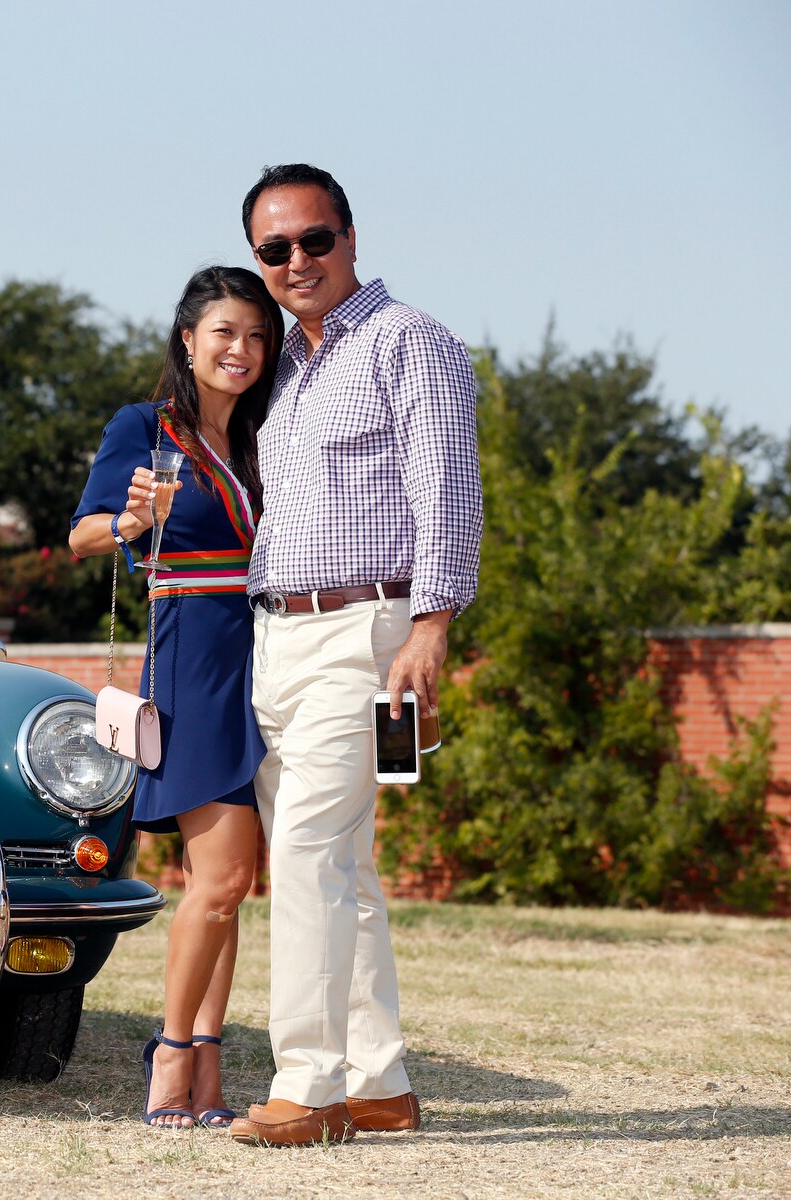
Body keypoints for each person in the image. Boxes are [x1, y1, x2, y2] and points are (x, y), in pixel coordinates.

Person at [224, 164, 482, 1147]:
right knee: (345, 869)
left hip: (366, 635)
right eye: (275, 249)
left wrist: (432, 624)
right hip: (276, 639)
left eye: (314, 239)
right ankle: (380, 1082)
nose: (297, 261)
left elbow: (447, 492)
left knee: (305, 859)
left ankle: (309, 1087)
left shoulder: (410, 341)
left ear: (352, 236)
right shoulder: (284, 366)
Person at [70, 266, 284, 1129]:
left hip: (266, 659)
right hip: (192, 659)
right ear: (189, 339)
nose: (243, 350)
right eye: (226, 332)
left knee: (222, 885)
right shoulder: (146, 428)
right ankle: (170, 1056)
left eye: (259, 336)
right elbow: (82, 538)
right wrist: (129, 519)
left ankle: (206, 1075)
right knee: (224, 877)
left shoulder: (269, 437)